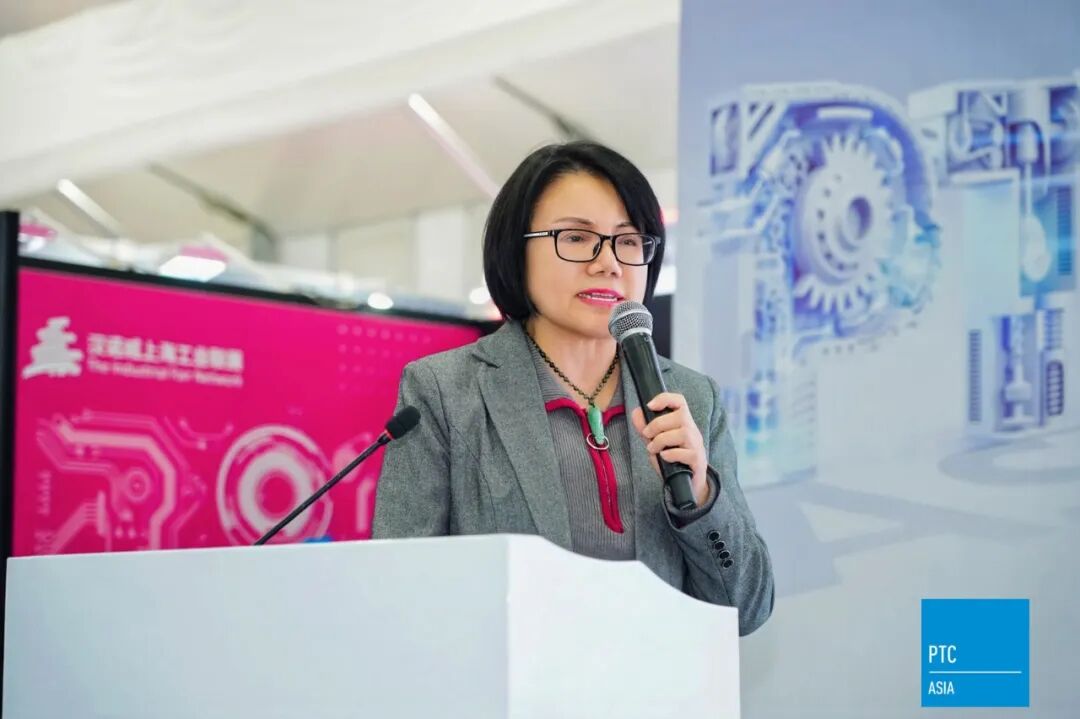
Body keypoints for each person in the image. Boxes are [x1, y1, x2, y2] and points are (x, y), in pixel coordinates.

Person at [372, 141, 773, 635]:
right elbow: (401, 589)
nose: (608, 263)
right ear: (516, 250)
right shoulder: (445, 391)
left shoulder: (692, 398)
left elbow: (744, 609)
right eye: (578, 238)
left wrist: (703, 494)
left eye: (628, 241)